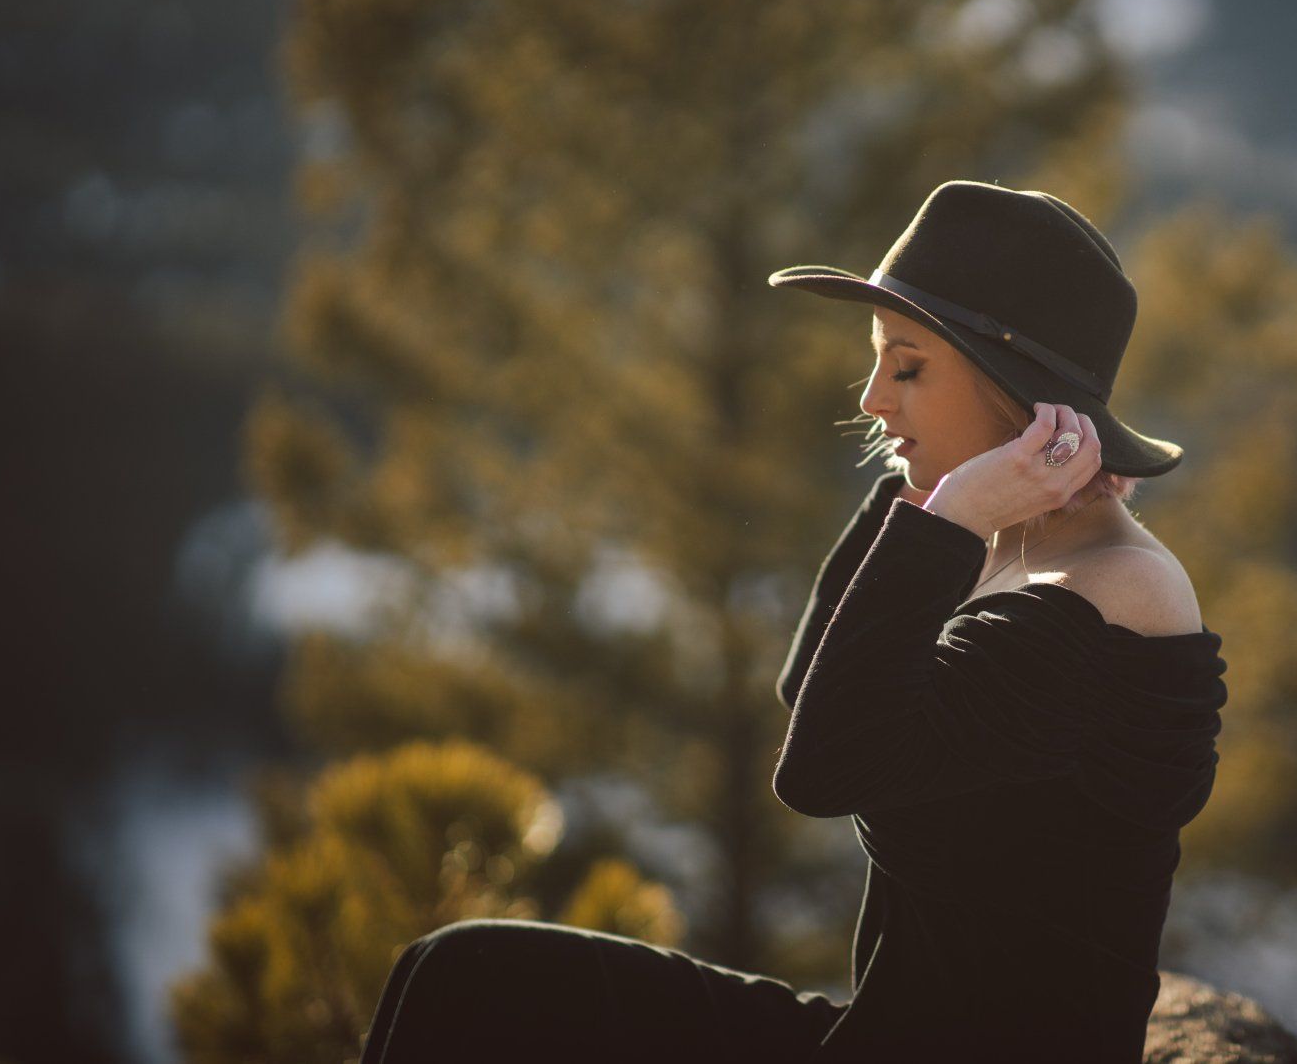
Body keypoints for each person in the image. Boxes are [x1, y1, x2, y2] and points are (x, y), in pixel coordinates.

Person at [353, 180, 1229, 1064]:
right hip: (870, 1037)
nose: (873, 399)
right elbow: (812, 680)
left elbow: (825, 766)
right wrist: (931, 495)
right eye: (877, 362)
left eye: (909, 366)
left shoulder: (1121, 592)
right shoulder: (1010, 544)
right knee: (457, 971)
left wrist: (949, 518)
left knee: (474, 990)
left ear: (1016, 385)